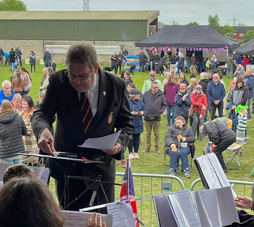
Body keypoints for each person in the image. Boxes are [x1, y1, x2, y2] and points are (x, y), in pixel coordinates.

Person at [32, 43, 134, 210]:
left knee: (101, 222)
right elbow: (42, 113)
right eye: (72, 75)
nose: (77, 81)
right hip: (67, 171)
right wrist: (43, 131)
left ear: (95, 68)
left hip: (101, 171)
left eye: (83, 76)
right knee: (70, 222)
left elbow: (127, 125)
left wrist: (119, 144)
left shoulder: (116, 85)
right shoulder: (58, 81)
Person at [142, 80, 167, 153]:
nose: (156, 89)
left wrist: (160, 112)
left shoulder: (161, 95)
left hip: (156, 117)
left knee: (157, 134)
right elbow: (142, 104)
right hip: (147, 117)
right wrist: (144, 111)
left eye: (157, 87)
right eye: (154, 87)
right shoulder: (146, 94)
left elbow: (164, 105)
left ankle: (157, 148)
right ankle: (148, 148)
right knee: (148, 134)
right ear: (151, 87)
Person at [127, 88, 144, 160]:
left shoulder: (140, 102)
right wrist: (131, 113)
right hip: (131, 123)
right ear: (133, 95)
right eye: (137, 94)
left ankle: (136, 152)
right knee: (131, 139)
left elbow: (145, 109)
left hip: (138, 122)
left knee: (137, 138)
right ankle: (130, 153)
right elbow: (125, 111)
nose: (139, 96)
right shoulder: (128, 102)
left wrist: (142, 112)